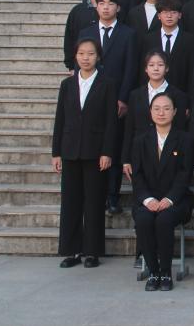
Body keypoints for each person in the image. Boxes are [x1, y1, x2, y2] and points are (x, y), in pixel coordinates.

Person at [52, 38, 117, 269]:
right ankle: (71, 251)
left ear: (98, 57)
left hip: (95, 152)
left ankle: (92, 251)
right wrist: (56, 152)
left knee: (94, 202)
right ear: (75, 56)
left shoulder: (107, 84)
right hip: (70, 150)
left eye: (90, 53)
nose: (86, 58)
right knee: (70, 203)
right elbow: (60, 120)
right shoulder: (67, 85)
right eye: (81, 53)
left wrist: (107, 151)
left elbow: (111, 122)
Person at [77, 0, 138, 214]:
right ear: (96, 6)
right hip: (91, 100)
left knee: (113, 146)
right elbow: (79, 66)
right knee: (92, 147)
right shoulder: (86, 32)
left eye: (110, 4)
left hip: (117, 100)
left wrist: (123, 98)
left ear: (118, 8)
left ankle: (112, 196)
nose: (105, 7)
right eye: (101, 3)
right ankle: (94, 196)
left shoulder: (128, 34)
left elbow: (131, 67)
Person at [130, 92, 194, 291]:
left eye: (166, 108)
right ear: (150, 112)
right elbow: (137, 175)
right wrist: (148, 199)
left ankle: (165, 272)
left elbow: (185, 174)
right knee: (143, 219)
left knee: (164, 220)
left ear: (174, 112)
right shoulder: (140, 140)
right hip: (147, 200)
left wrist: (169, 199)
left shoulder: (185, 139)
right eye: (156, 109)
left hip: (176, 200)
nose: (161, 113)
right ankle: (153, 271)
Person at [121, 51, 189, 177]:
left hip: (169, 153)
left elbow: (180, 128)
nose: (156, 68)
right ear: (146, 69)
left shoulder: (179, 95)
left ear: (167, 68)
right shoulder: (135, 95)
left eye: (160, 65)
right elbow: (129, 128)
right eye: (151, 65)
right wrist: (126, 159)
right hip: (141, 151)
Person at [142, 0, 194, 95]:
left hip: (181, 92)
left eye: (173, 12)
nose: (169, 16)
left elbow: (193, 72)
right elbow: (143, 69)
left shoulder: (190, 40)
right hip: (154, 92)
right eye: (165, 12)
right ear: (159, 15)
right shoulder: (148, 40)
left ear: (180, 15)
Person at [63, 0, 110, 70]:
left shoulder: (112, 9)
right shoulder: (77, 11)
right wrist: (71, 66)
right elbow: (69, 38)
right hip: (82, 64)